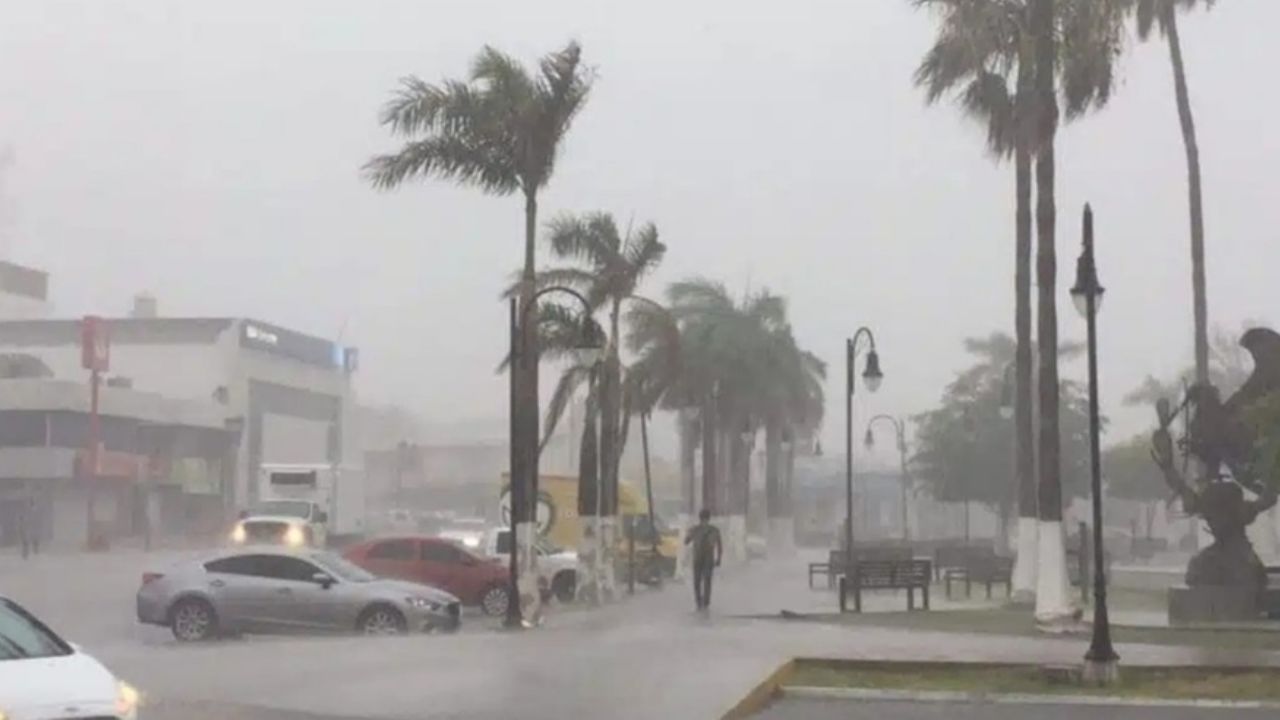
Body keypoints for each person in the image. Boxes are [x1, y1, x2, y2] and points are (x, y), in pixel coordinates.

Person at [684, 509, 722, 611]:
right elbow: (719, 546)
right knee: (707, 581)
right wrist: (718, 559)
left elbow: (686, 541)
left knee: (697, 581)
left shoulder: (695, 529)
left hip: (698, 558)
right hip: (708, 559)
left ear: (700, 518)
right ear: (709, 518)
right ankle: (705, 602)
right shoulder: (714, 530)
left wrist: (688, 534)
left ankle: (699, 602)